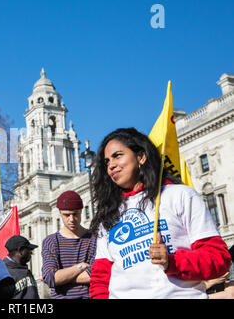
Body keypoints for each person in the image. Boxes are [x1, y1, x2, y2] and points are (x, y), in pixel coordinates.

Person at [89, 127, 231, 299]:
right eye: (106, 162)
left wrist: (172, 261)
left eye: (117, 155)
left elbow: (218, 258)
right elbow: (100, 277)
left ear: (141, 157)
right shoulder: (108, 214)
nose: (111, 165)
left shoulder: (180, 195)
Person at [41, 190, 97, 299]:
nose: (71, 219)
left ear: (81, 211)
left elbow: (96, 274)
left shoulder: (94, 238)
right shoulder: (51, 241)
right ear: (60, 213)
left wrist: (62, 278)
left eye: (75, 214)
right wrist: (80, 266)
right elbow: (50, 278)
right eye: (67, 215)